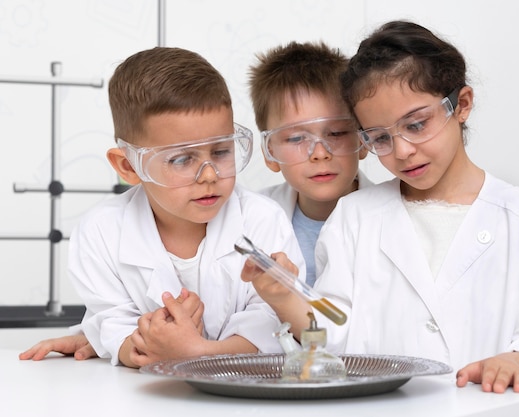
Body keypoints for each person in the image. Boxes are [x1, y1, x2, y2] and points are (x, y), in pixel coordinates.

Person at [242, 20, 519, 393]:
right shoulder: (355, 217)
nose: (403, 150)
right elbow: (333, 333)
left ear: (462, 105)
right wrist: (284, 298)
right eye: (379, 138)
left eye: (417, 124)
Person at [19, 46, 305, 368]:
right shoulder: (100, 232)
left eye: (222, 151)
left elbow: (272, 320)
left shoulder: (263, 219)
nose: (209, 175)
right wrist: (148, 345)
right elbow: (113, 325)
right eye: (181, 159)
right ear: (128, 166)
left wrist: (195, 355)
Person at [248, 41, 371, 286]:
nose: (319, 153)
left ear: (364, 138)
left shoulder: (392, 216)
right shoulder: (252, 219)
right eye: (296, 138)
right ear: (269, 152)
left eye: (336, 133)